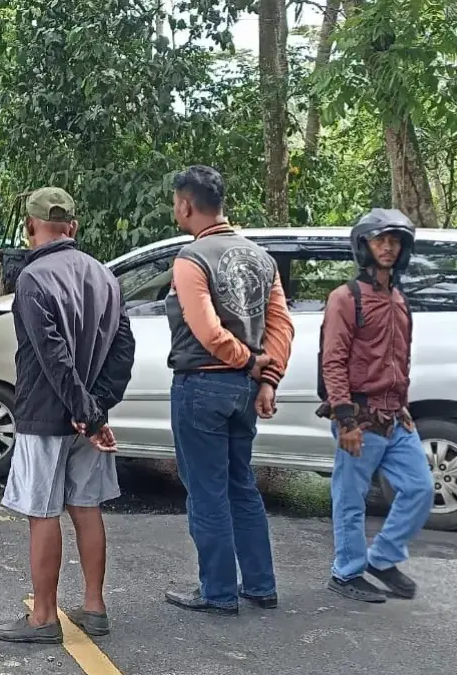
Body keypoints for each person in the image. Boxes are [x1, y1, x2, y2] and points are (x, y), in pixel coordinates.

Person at [0, 187, 136, 644]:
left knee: (43, 512)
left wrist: (82, 411)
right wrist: (95, 408)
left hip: (47, 415)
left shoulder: (33, 280)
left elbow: (52, 357)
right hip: (87, 417)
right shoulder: (105, 276)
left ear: (31, 227)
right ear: (72, 228)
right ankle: (95, 607)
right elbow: (123, 348)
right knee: (87, 509)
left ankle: (44, 618)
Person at [163, 165, 294, 615]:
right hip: (243, 391)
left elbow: (207, 331)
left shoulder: (191, 259)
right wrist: (266, 377)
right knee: (242, 487)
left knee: (207, 493)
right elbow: (281, 325)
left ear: (185, 204)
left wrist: (247, 360)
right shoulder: (261, 258)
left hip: (202, 384)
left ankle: (217, 592)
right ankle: (260, 584)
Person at [317, 208, 434, 604]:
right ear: (364, 245)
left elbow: (401, 358)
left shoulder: (400, 300)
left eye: (394, 241)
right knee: (351, 499)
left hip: (394, 417)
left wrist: (403, 406)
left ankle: (382, 559)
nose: (387, 247)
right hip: (359, 418)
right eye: (379, 240)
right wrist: (345, 418)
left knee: (420, 488)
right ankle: (346, 572)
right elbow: (332, 360)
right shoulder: (346, 299)